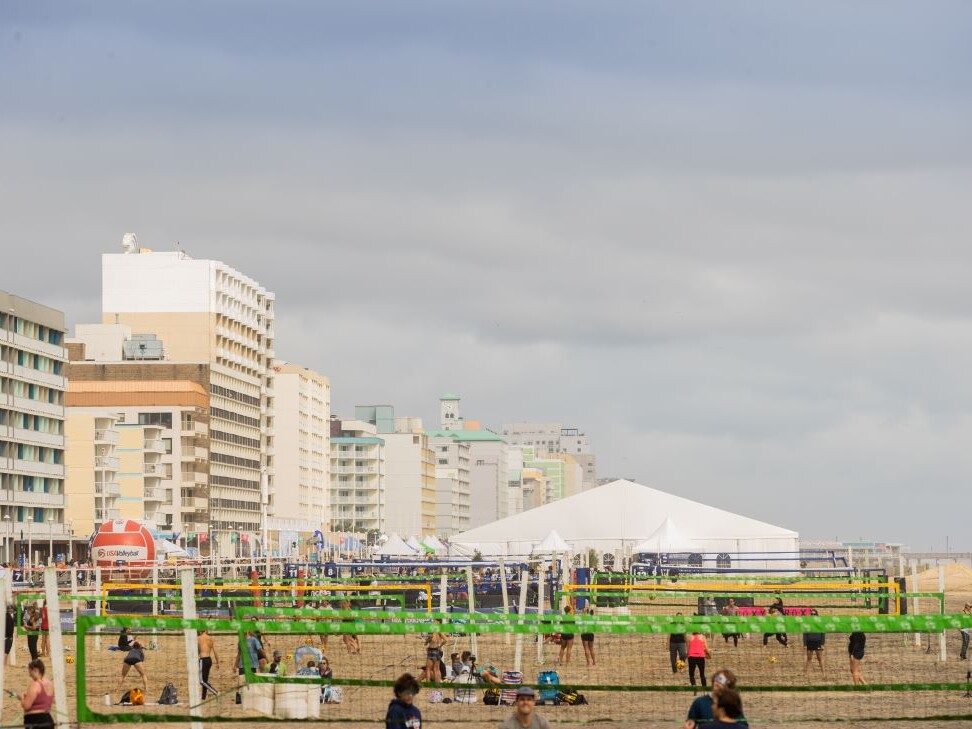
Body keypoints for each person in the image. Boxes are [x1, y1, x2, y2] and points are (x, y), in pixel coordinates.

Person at [21, 658, 55, 729]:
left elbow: (26, 706)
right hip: (48, 719)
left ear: (35, 670)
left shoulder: (35, 685)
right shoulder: (50, 684)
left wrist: (22, 698)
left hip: (35, 720)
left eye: (30, 672)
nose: (29, 675)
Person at [198, 629, 219, 699]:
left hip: (202, 660)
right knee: (205, 680)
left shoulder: (199, 638)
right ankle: (203, 697)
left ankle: (215, 692)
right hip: (209, 660)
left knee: (201, 681)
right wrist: (217, 662)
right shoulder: (210, 638)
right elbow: (215, 651)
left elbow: (197, 651)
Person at [803, 609, 825, 675]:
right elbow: (805, 634)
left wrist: (822, 644)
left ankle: (823, 673)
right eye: (811, 614)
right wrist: (805, 644)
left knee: (820, 658)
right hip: (810, 643)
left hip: (818, 642)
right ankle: (806, 673)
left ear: (817, 615)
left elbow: (823, 634)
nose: (813, 615)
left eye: (814, 614)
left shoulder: (820, 623)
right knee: (809, 658)